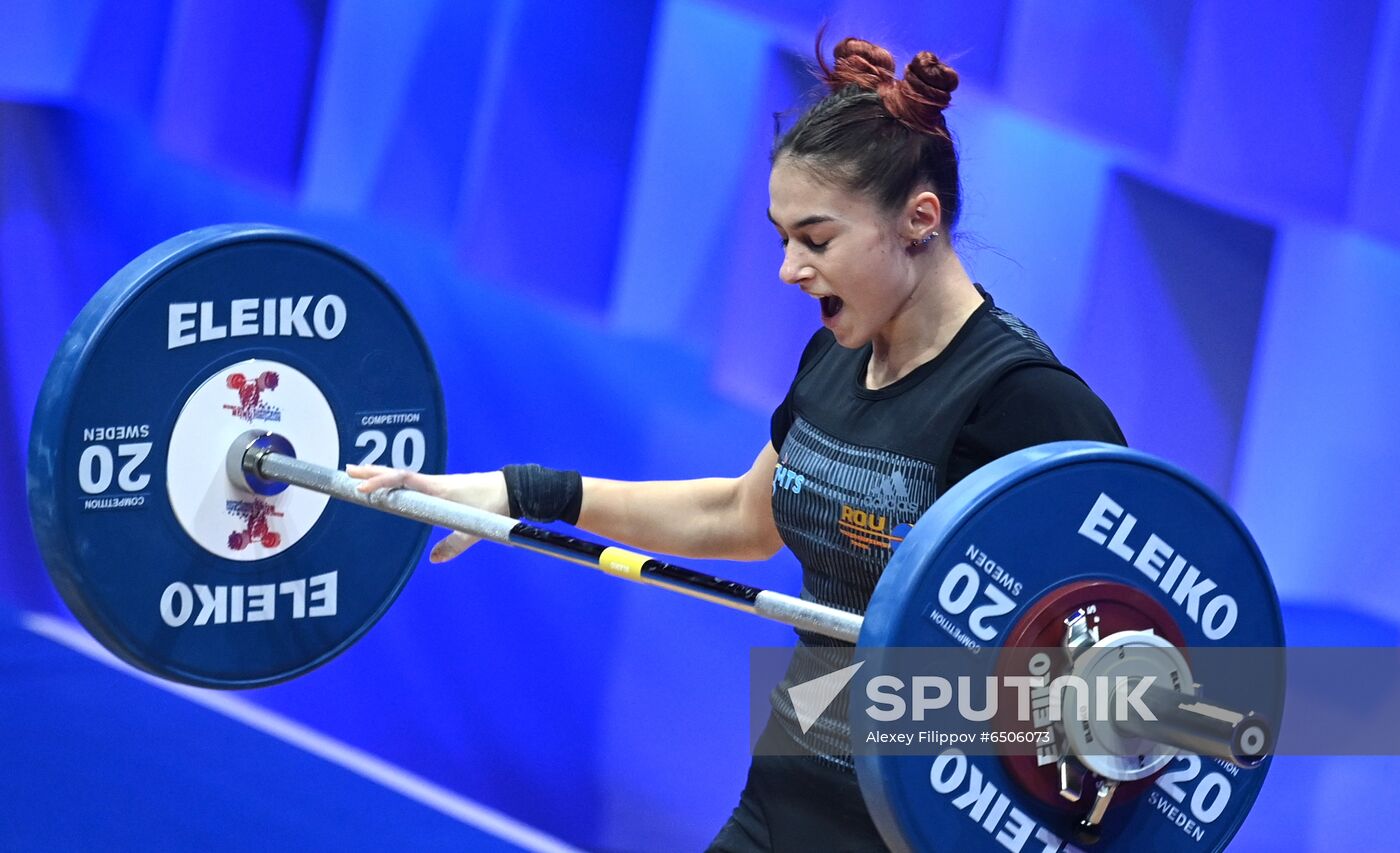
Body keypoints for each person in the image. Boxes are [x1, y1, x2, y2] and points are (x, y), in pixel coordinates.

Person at [349, 35, 1125, 852]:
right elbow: (741, 515)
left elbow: (1142, 671)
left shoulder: (1024, 404)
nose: (789, 269)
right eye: (782, 237)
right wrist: (519, 493)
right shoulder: (835, 358)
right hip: (784, 799)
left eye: (817, 240)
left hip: (926, 830)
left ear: (919, 221)